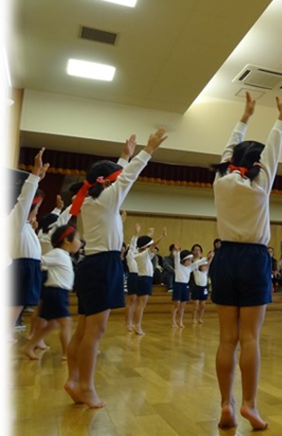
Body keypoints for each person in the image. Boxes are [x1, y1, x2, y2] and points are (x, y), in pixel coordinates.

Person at [210, 87, 282, 431]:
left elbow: (229, 149)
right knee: (249, 339)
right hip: (254, 259)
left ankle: (224, 404)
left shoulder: (220, 179)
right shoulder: (260, 183)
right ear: (258, 164)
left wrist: (244, 117)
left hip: (225, 257)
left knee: (225, 340)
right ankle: (249, 404)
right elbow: (274, 149)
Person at [66, 129, 167, 408]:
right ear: (108, 182)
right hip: (103, 265)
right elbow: (127, 179)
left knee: (83, 329)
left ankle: (74, 380)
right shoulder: (106, 200)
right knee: (94, 333)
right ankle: (85, 386)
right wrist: (148, 150)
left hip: (91, 265)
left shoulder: (91, 199)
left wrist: (124, 156)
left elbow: (117, 179)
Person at [1, 148, 49, 391]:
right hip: (20, 272)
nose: (36, 209)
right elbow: (23, 201)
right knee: (4, 327)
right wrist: (33, 176)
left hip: (29, 271)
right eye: (35, 205)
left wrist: (37, 180)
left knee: (8, 326)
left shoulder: (26, 226)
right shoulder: (12, 222)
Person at [21, 224, 81, 361]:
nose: (80, 242)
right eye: (78, 238)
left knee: (53, 324)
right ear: (67, 240)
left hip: (58, 293)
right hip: (55, 293)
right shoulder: (57, 254)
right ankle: (67, 353)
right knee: (66, 321)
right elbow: (39, 261)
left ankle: (29, 346)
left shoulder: (63, 255)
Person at [132, 227, 167, 335]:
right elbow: (152, 245)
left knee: (141, 304)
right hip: (144, 279)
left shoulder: (141, 254)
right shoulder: (142, 255)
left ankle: (136, 324)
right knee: (141, 304)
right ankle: (136, 325)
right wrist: (162, 236)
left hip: (144, 279)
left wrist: (149, 234)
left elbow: (149, 245)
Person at [172, 243, 207, 328]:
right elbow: (176, 258)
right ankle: (173, 321)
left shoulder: (190, 267)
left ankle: (180, 321)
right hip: (178, 285)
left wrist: (208, 257)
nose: (190, 261)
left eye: (191, 260)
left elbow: (199, 262)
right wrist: (177, 250)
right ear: (184, 260)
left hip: (185, 286)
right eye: (188, 260)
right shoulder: (178, 266)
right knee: (176, 304)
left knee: (183, 305)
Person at [123, 225, 140, 331]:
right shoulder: (130, 254)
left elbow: (145, 246)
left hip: (140, 277)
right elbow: (133, 245)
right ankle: (127, 322)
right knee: (131, 301)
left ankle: (134, 322)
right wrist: (136, 234)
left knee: (137, 302)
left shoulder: (140, 254)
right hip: (133, 277)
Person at [192, 248, 212, 325]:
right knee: (196, 306)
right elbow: (197, 263)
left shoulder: (205, 271)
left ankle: (200, 318)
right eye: (203, 266)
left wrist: (211, 257)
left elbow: (208, 264)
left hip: (204, 288)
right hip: (197, 287)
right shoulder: (196, 268)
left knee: (203, 305)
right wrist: (206, 257)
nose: (205, 267)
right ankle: (194, 318)